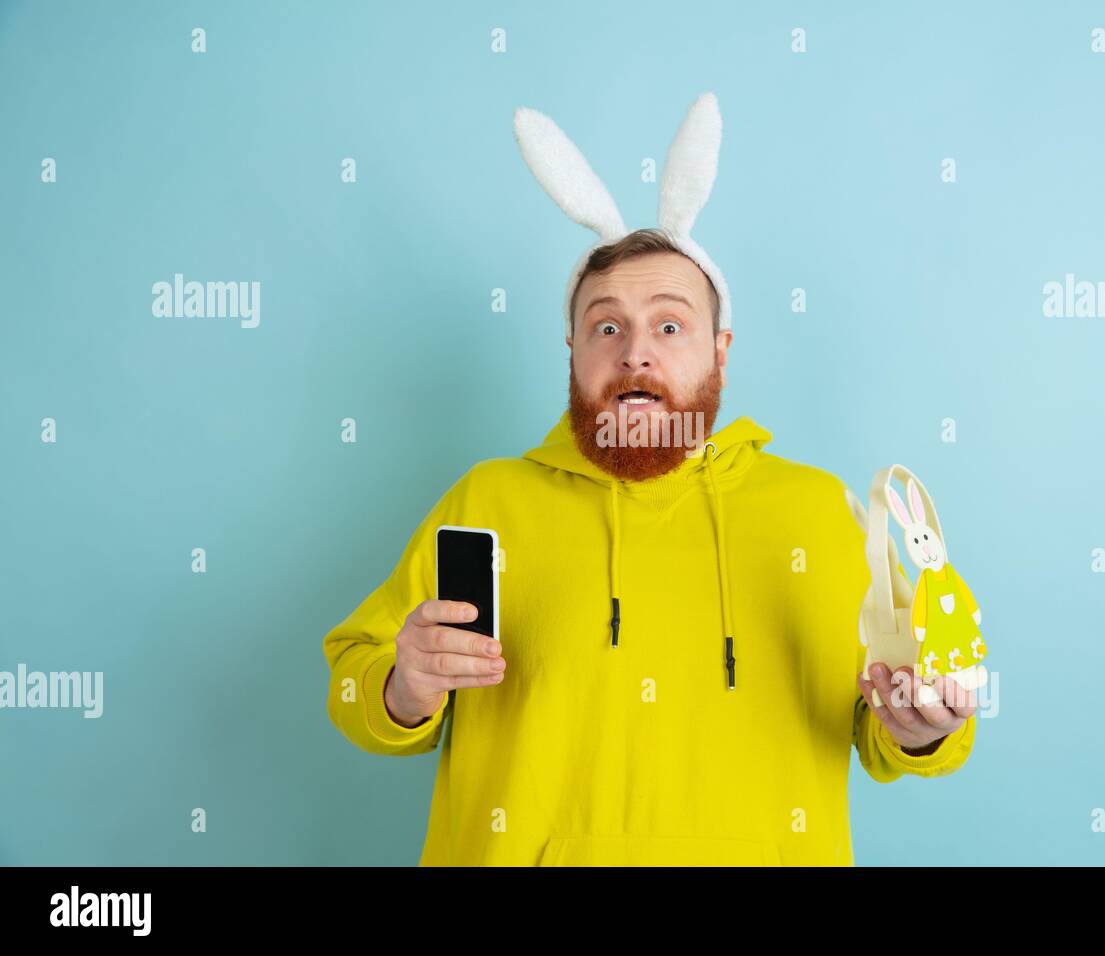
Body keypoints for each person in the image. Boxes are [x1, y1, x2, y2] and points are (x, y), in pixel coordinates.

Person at [322, 95, 978, 867]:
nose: (636, 352)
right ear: (573, 349)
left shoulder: (822, 512)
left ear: (720, 351)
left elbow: (892, 725)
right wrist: (405, 686)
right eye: (607, 326)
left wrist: (925, 725)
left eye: (669, 325)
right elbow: (351, 687)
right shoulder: (488, 502)